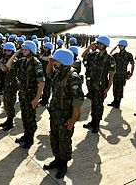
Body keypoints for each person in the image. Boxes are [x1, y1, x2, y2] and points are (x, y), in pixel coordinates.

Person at [43, 49, 84, 179]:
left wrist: (72, 120)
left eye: (56, 60)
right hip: (55, 114)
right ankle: (57, 160)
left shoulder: (73, 77)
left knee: (64, 141)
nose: (54, 62)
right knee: (54, 139)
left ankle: (63, 164)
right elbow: (48, 73)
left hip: (65, 117)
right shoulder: (59, 73)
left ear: (63, 61)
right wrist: (50, 61)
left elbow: (78, 101)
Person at [6, 40, 45, 149]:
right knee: (24, 116)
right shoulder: (22, 61)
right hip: (23, 94)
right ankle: (26, 135)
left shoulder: (37, 63)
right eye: (23, 49)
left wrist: (37, 98)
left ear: (31, 51)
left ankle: (30, 138)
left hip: (31, 95)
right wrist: (15, 54)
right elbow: (8, 65)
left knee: (30, 117)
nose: (23, 51)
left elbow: (41, 82)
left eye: (25, 49)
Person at [82, 36, 116, 133]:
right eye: (98, 43)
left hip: (101, 87)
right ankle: (92, 121)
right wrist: (89, 48)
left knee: (99, 106)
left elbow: (111, 75)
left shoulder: (110, 59)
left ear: (105, 45)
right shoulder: (94, 55)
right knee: (93, 104)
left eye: (101, 44)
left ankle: (97, 124)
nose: (99, 45)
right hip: (92, 85)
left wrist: (108, 88)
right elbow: (83, 56)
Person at [0, 42, 19, 131]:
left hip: (12, 85)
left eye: (9, 51)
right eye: (5, 50)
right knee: (6, 103)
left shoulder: (14, 60)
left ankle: (10, 122)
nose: (7, 52)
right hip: (6, 84)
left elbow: (5, 68)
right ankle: (8, 119)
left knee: (10, 103)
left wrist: (0, 64)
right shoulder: (5, 58)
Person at [108, 40, 135, 108]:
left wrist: (131, 73)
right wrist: (114, 48)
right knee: (114, 88)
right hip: (115, 74)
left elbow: (132, 64)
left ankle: (118, 102)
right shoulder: (116, 54)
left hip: (122, 75)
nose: (120, 47)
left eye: (122, 46)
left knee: (120, 89)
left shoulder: (129, 55)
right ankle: (114, 101)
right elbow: (109, 56)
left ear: (125, 46)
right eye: (119, 46)